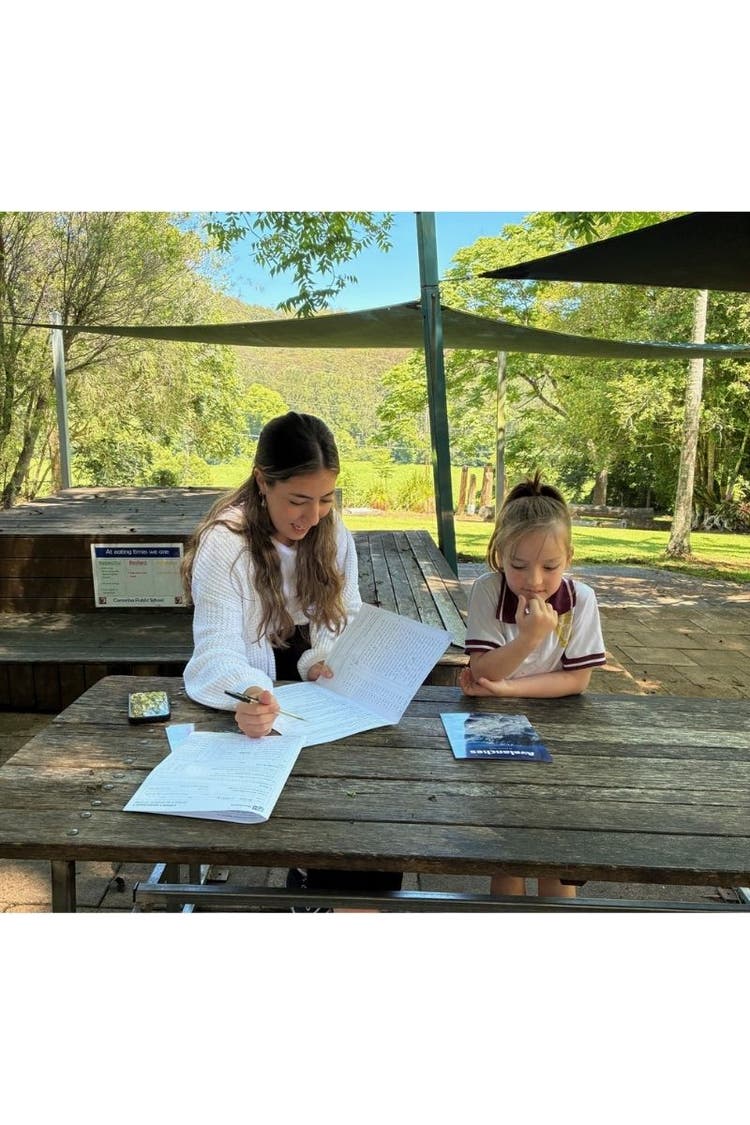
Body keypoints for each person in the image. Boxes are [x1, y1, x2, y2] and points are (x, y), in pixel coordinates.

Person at [182, 411, 402, 908]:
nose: (312, 516)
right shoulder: (225, 544)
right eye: (298, 501)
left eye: (326, 499)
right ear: (263, 482)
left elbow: (342, 614)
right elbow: (215, 649)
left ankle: (360, 899)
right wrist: (248, 692)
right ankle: (309, 887)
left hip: (317, 694)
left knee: (367, 804)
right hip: (251, 692)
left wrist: (322, 658)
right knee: (304, 805)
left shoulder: (331, 532)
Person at [459, 471, 606, 901]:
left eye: (550, 566)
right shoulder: (488, 591)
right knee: (506, 846)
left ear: (569, 557)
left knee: (557, 850)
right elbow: (483, 670)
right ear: (499, 555)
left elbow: (577, 680)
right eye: (518, 566)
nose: (534, 580)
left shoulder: (580, 600)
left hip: (561, 730)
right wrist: (528, 639)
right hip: (495, 729)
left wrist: (508, 688)